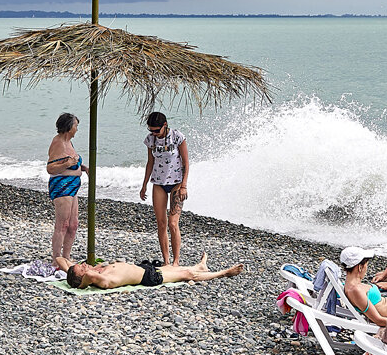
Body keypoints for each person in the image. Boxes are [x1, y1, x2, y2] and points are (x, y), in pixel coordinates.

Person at [138, 111, 189, 266]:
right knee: (161, 223)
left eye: (156, 130)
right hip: (159, 183)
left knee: (173, 223)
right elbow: (150, 162)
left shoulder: (177, 137)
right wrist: (144, 184)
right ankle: (166, 261)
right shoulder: (150, 140)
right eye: (151, 130)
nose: (154, 133)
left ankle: (176, 261)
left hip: (177, 183)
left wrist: (184, 186)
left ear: (165, 125)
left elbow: (186, 163)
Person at [65, 253, 243, 290]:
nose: (85, 266)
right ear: (81, 276)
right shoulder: (97, 279)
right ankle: (224, 273)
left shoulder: (99, 274)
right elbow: (86, 276)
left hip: (143, 269)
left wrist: (76, 270)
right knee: (187, 276)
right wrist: (78, 278)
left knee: (171, 268)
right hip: (148, 278)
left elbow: (62, 261)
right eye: (82, 267)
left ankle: (200, 266)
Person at [47, 113, 88, 268]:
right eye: (76, 126)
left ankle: (67, 257)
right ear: (69, 127)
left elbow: (71, 163)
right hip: (62, 186)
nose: (77, 129)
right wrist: (67, 164)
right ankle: (56, 260)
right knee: (62, 224)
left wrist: (82, 168)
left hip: (73, 186)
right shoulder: (57, 142)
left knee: (73, 224)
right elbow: (50, 168)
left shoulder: (69, 142)